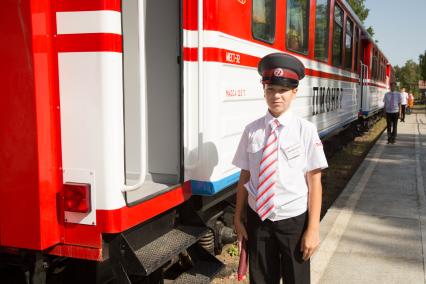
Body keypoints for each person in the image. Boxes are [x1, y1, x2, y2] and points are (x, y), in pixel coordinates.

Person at [232, 53, 328, 284]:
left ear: (294, 92)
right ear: (264, 90)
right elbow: (245, 175)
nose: (276, 96)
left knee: (297, 279)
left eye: (283, 90)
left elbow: (314, 182)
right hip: (258, 219)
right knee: (262, 279)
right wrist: (238, 217)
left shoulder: (305, 130)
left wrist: (312, 229)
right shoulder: (252, 130)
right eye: (271, 89)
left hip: (293, 220)